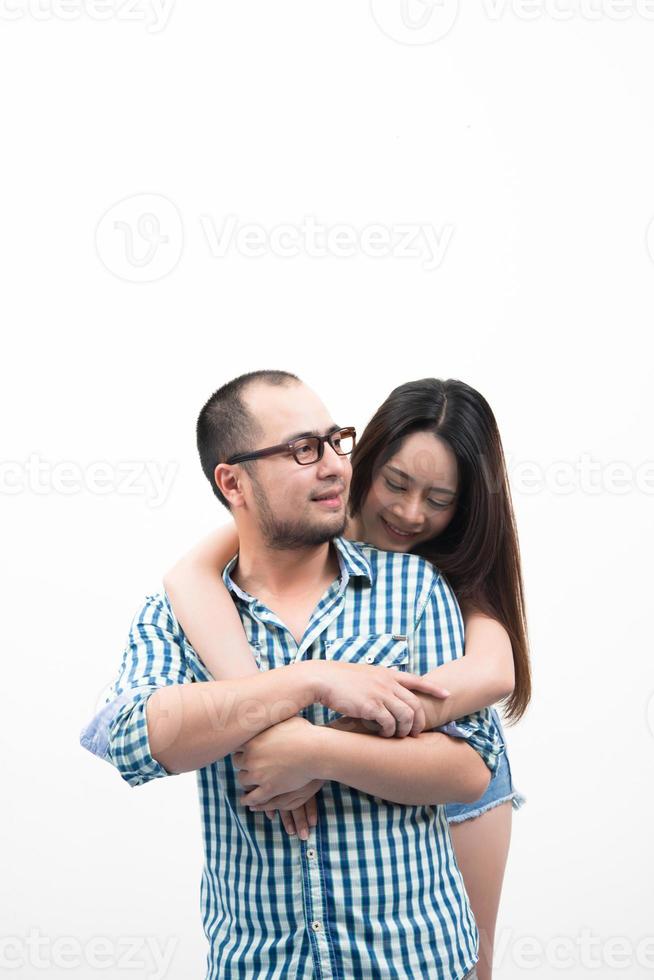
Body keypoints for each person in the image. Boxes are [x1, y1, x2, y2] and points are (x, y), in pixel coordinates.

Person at [80, 369, 504, 980]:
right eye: (303, 450)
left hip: (415, 959)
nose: (333, 465)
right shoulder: (183, 611)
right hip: (261, 964)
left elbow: (472, 766)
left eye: (335, 441)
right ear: (233, 482)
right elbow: (134, 738)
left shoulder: (415, 586)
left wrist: (314, 751)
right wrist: (308, 681)